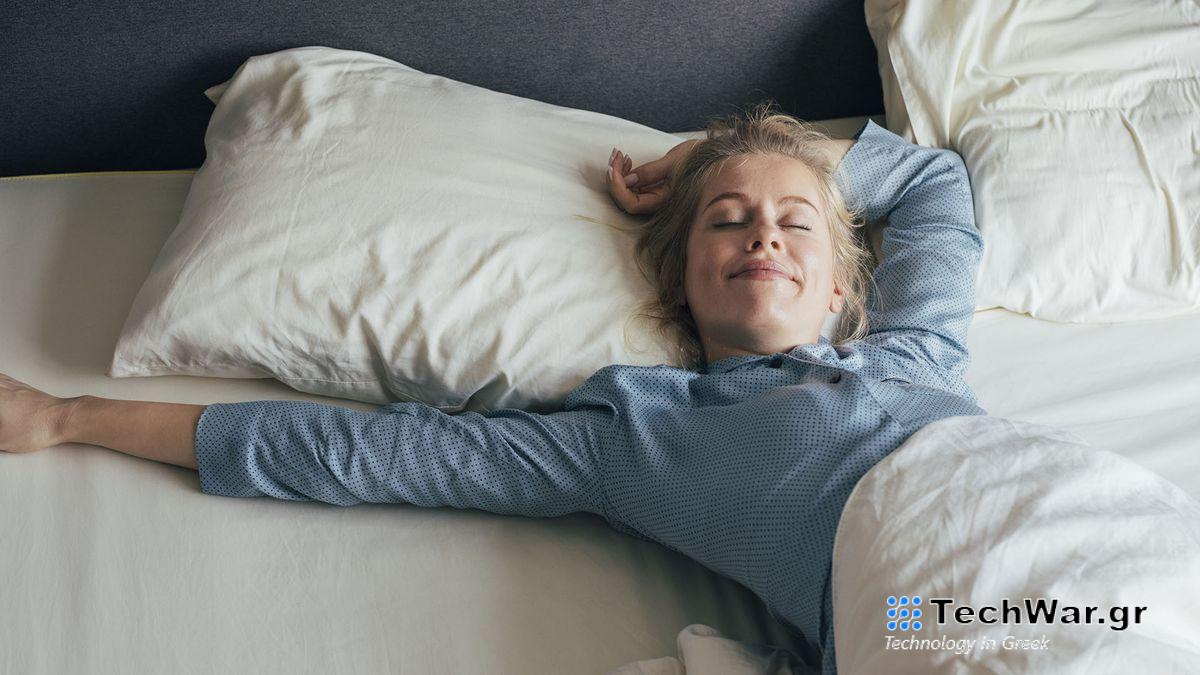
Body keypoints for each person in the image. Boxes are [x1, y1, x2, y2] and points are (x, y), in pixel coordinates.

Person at [0, 100, 985, 673]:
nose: (764, 231)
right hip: (944, 613)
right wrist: (67, 417)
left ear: (841, 285)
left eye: (796, 222)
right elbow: (377, 454)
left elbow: (932, 184)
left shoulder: (919, 353)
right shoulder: (636, 436)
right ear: (680, 280)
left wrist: (704, 160)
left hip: (1055, 520)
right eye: (726, 220)